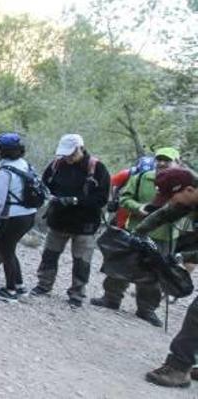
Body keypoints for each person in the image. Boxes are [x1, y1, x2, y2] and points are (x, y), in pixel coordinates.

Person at [91, 148, 181, 326]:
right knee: (121, 265)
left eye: (167, 160)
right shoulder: (141, 177)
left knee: (154, 274)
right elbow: (125, 198)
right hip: (136, 230)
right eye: (159, 159)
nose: (162, 163)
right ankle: (111, 298)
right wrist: (137, 207)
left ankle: (146, 309)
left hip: (164, 236)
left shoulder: (184, 185)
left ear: (177, 162)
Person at [31, 134, 110, 308]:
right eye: (65, 154)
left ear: (81, 148)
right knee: (50, 255)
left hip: (85, 224)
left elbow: (102, 199)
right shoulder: (56, 165)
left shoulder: (97, 168)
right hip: (58, 220)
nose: (68, 157)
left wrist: (75, 200)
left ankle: (77, 293)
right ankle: (44, 285)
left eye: (71, 154)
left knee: (82, 261)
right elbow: (44, 186)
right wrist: (48, 196)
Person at [136, 168, 198, 388]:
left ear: (190, 189)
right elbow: (165, 213)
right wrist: (138, 233)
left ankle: (179, 368)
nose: (170, 201)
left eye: (172, 195)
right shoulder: (189, 198)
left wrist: (183, 256)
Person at [0, 133, 37, 301]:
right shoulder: (24, 164)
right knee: (10, 249)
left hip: (15, 216)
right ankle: (19, 286)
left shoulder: (5, 171)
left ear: (3, 150)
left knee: (6, 250)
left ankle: (10, 290)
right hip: (29, 214)